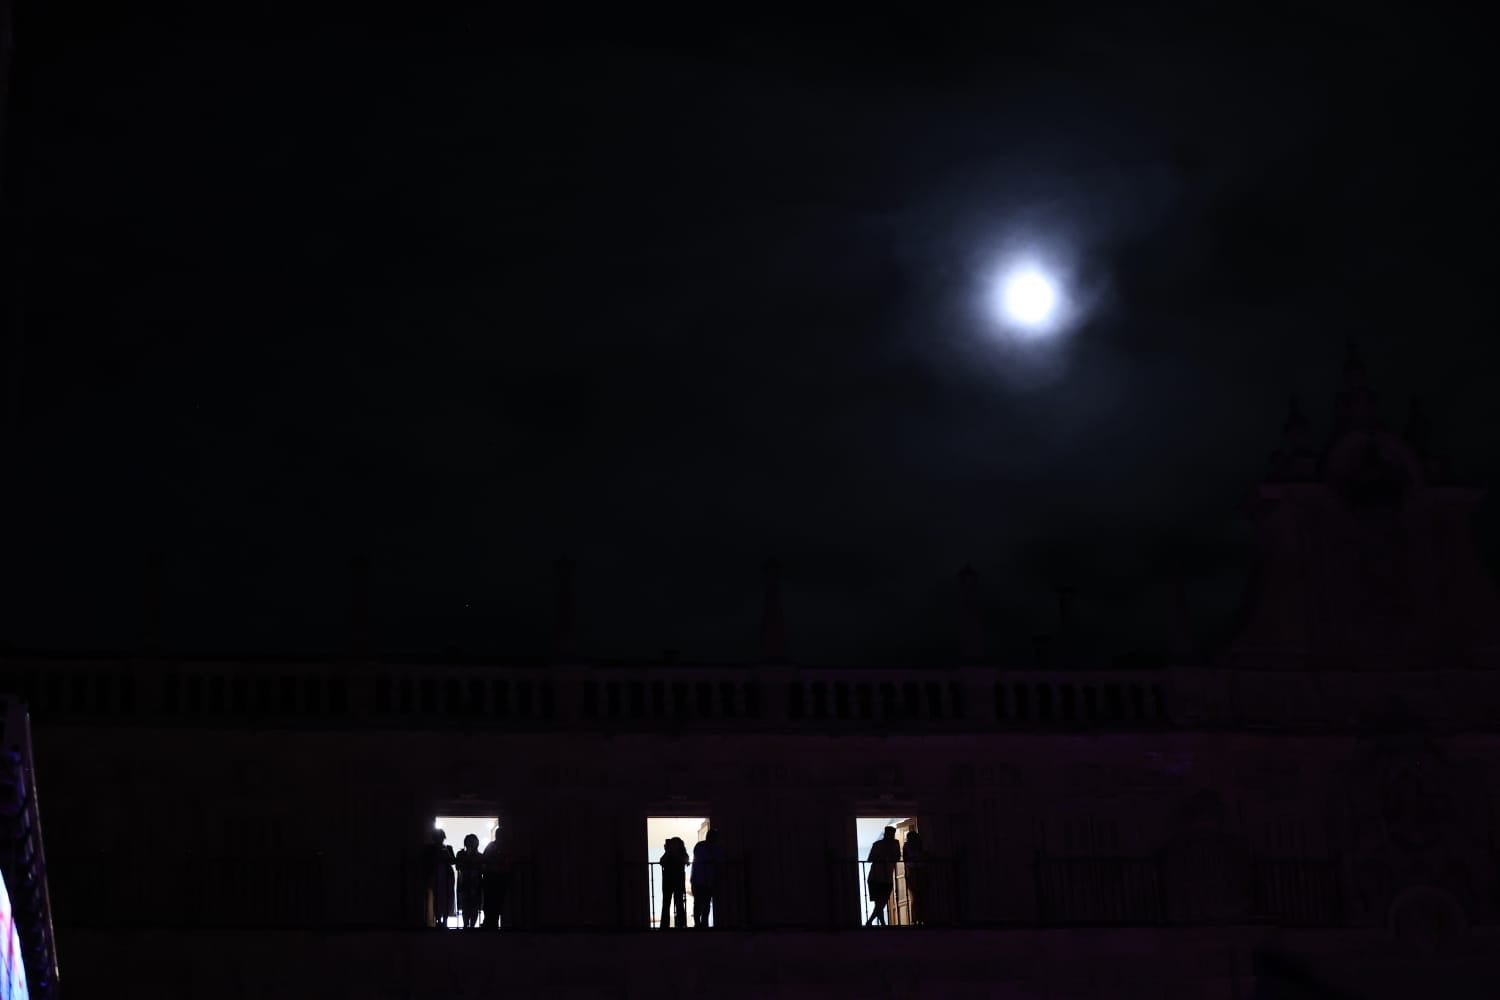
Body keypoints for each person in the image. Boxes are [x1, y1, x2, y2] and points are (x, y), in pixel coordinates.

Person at [865, 826, 900, 927]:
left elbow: (897, 857)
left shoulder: (895, 844)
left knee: (882, 902)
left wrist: (889, 857)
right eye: (890, 834)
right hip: (875, 876)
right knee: (879, 903)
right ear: (886, 834)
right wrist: (882, 857)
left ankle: (871, 921)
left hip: (886, 877)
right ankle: (882, 923)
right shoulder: (877, 845)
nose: (891, 836)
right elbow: (870, 858)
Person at [690, 829, 724, 928]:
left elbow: (720, 860)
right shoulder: (702, 847)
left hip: (705, 880)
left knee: (704, 904)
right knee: (700, 903)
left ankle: (703, 923)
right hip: (700, 880)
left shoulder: (702, 846)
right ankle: (699, 923)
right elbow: (717, 860)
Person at [427, 829, 456, 929]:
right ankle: (438, 919)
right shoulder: (430, 849)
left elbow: (453, 861)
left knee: (447, 898)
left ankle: (445, 920)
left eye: (441, 837)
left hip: (446, 876)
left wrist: (446, 854)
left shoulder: (448, 848)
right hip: (435, 875)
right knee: (437, 898)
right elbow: (427, 861)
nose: (440, 839)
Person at [481, 825, 508, 929]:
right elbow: (485, 858)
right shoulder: (491, 846)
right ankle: (489, 921)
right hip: (491, 877)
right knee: (489, 902)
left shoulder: (504, 847)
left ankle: (493, 922)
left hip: (499, 877)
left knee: (497, 902)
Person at [455, 833, 484, 929]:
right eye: (469, 842)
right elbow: (457, 866)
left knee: (474, 906)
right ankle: (466, 925)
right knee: (465, 905)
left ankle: (471, 926)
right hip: (465, 882)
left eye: (473, 842)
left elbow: (483, 869)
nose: (471, 844)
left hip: (475, 883)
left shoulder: (480, 856)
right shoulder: (461, 854)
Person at [659, 836, 689, 928]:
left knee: (676, 902)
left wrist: (669, 852)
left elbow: (685, 861)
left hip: (672, 881)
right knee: (670, 903)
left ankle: (671, 925)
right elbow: (661, 861)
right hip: (673, 881)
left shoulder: (680, 854)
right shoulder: (673, 853)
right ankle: (678, 924)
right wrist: (668, 852)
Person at [901, 828, 926, 926]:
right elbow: (906, 859)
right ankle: (916, 919)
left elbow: (923, 855)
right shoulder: (909, 845)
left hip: (918, 870)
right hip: (913, 870)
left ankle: (920, 919)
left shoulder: (919, 844)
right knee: (916, 896)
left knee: (919, 896)